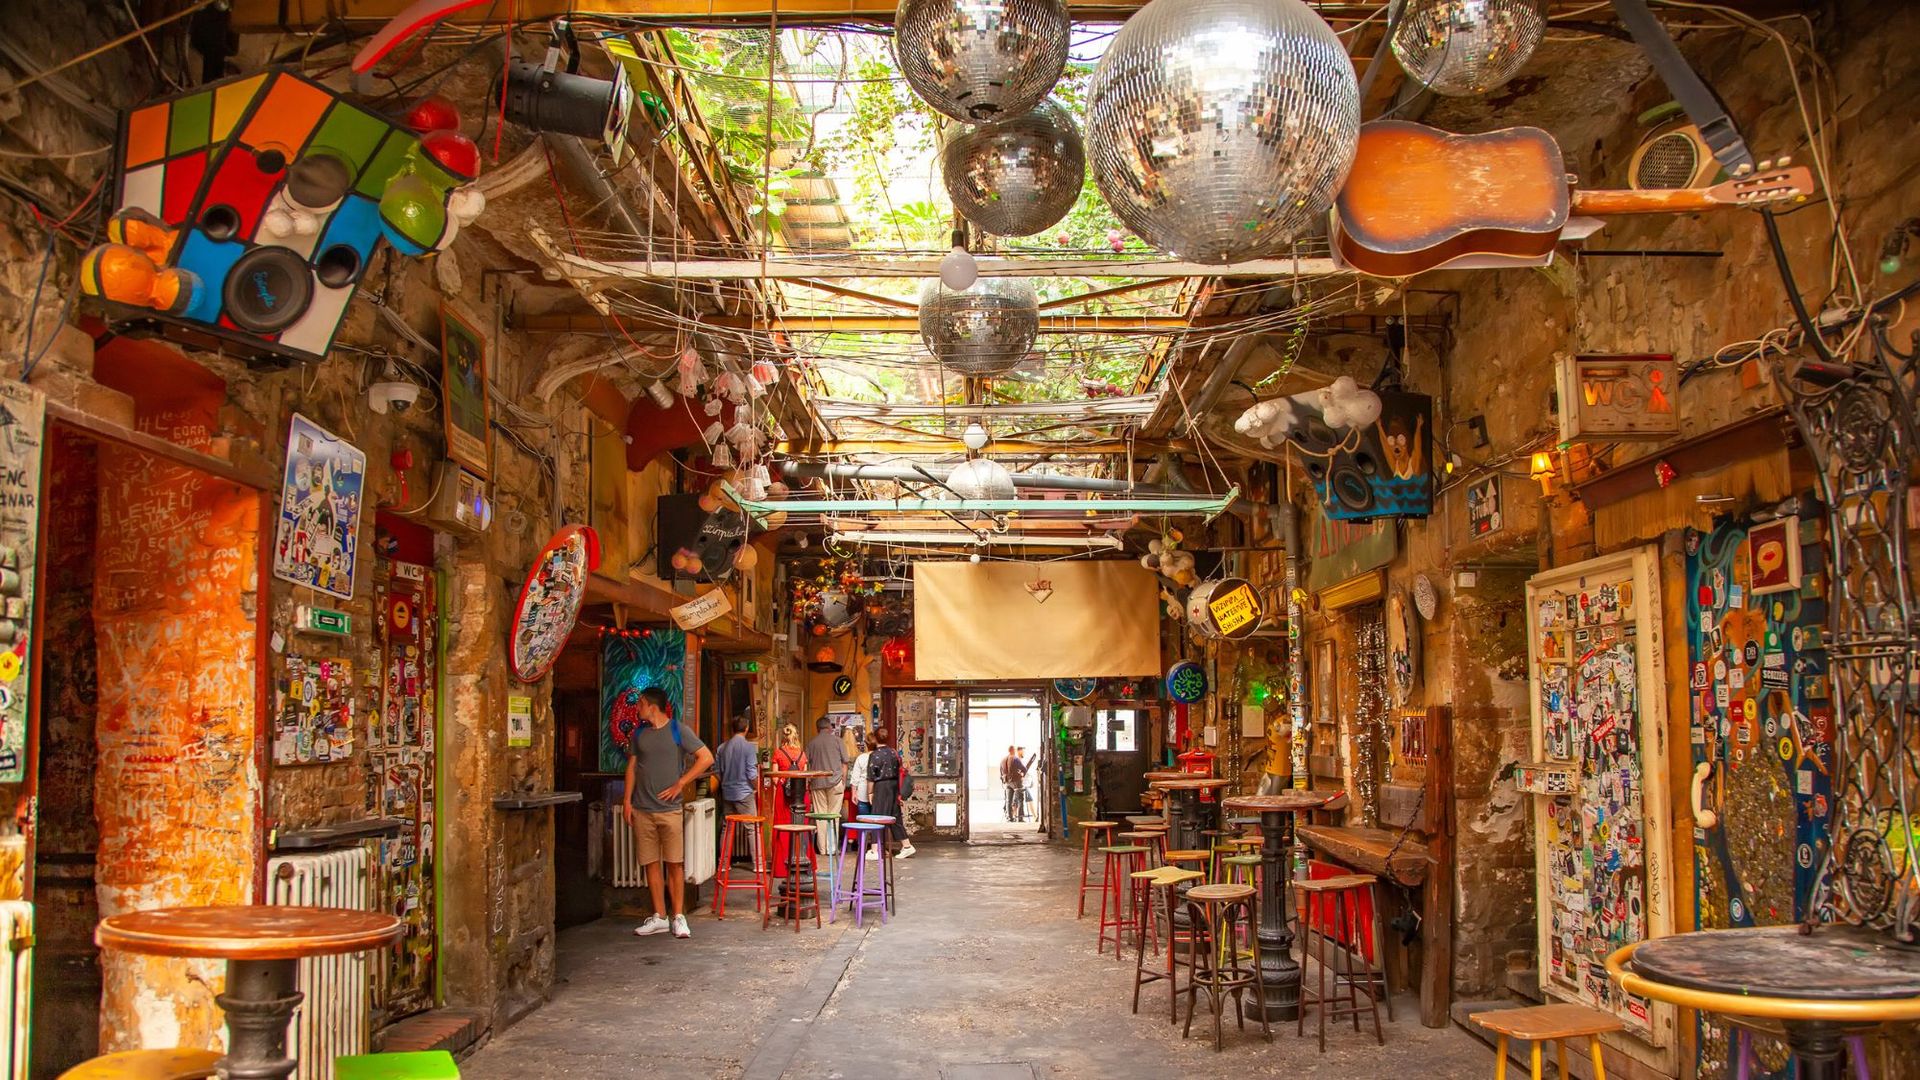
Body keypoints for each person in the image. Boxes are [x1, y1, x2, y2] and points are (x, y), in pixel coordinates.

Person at [623, 687, 713, 940]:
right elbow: (632, 768)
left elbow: (706, 757)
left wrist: (681, 783)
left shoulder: (677, 730)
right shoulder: (639, 734)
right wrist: (627, 801)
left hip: (670, 810)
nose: (637, 709)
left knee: (674, 863)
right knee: (650, 862)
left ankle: (679, 916)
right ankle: (660, 916)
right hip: (643, 809)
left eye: (640, 704)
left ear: (651, 706)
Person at [712, 714, 758, 866]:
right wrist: (756, 787)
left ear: (733, 729)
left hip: (727, 793)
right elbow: (752, 774)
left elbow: (717, 772)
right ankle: (758, 864)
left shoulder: (721, 748)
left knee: (727, 828)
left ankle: (723, 864)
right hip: (744, 793)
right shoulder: (749, 748)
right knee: (752, 828)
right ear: (746, 728)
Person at [867, 728, 916, 859]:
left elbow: (871, 776)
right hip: (894, 786)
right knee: (895, 817)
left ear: (875, 738)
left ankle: (875, 850)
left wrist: (870, 792)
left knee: (877, 816)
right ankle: (907, 845)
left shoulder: (874, 755)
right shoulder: (894, 752)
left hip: (881, 786)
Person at [804, 717, 849, 854]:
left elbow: (806, 764)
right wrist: (843, 781)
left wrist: (808, 782)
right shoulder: (838, 741)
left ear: (817, 728)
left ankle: (822, 849)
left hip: (817, 783)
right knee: (833, 815)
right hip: (835, 782)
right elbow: (845, 763)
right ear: (829, 727)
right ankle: (832, 848)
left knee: (820, 816)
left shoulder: (811, 743)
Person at [768, 724, 807, 878]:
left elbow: (774, 778)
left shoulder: (778, 753)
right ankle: (801, 862)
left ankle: (781, 867)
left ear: (783, 737)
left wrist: (783, 783)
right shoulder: (802, 754)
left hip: (783, 795)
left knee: (782, 827)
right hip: (800, 796)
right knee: (800, 827)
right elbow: (805, 776)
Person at [1000, 745, 1022, 821]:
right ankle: (1020, 818)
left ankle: (1010, 818)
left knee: (1008, 800)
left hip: (1006, 782)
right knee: (1020, 798)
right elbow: (1023, 769)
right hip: (1015, 782)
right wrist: (1022, 775)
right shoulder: (1015, 758)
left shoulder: (1002, 760)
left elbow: (1001, 772)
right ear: (1013, 750)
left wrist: (1004, 781)